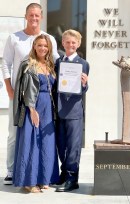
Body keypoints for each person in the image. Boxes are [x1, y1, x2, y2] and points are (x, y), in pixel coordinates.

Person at [0, 3, 59, 185]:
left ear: (41, 17)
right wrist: (9, 88)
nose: (34, 18)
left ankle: (39, 172)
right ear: (26, 16)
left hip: (42, 96)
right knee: (14, 132)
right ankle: (11, 170)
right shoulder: (14, 38)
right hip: (19, 94)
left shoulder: (48, 38)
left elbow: (57, 63)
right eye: (31, 15)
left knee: (39, 133)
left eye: (37, 15)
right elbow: (5, 63)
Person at [12, 34, 59, 193]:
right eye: (39, 45)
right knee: (31, 142)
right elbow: (25, 90)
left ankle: (44, 178)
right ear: (34, 46)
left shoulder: (51, 65)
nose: (43, 48)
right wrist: (32, 109)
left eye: (45, 46)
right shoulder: (28, 65)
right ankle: (29, 182)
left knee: (46, 142)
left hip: (48, 109)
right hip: (33, 107)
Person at [54, 29, 89, 192]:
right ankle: (64, 174)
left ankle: (72, 179)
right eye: (67, 42)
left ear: (78, 44)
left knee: (73, 147)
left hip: (74, 111)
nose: (70, 44)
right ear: (63, 43)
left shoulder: (84, 64)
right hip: (59, 111)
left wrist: (84, 83)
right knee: (61, 145)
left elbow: (83, 89)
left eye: (73, 42)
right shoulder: (58, 62)